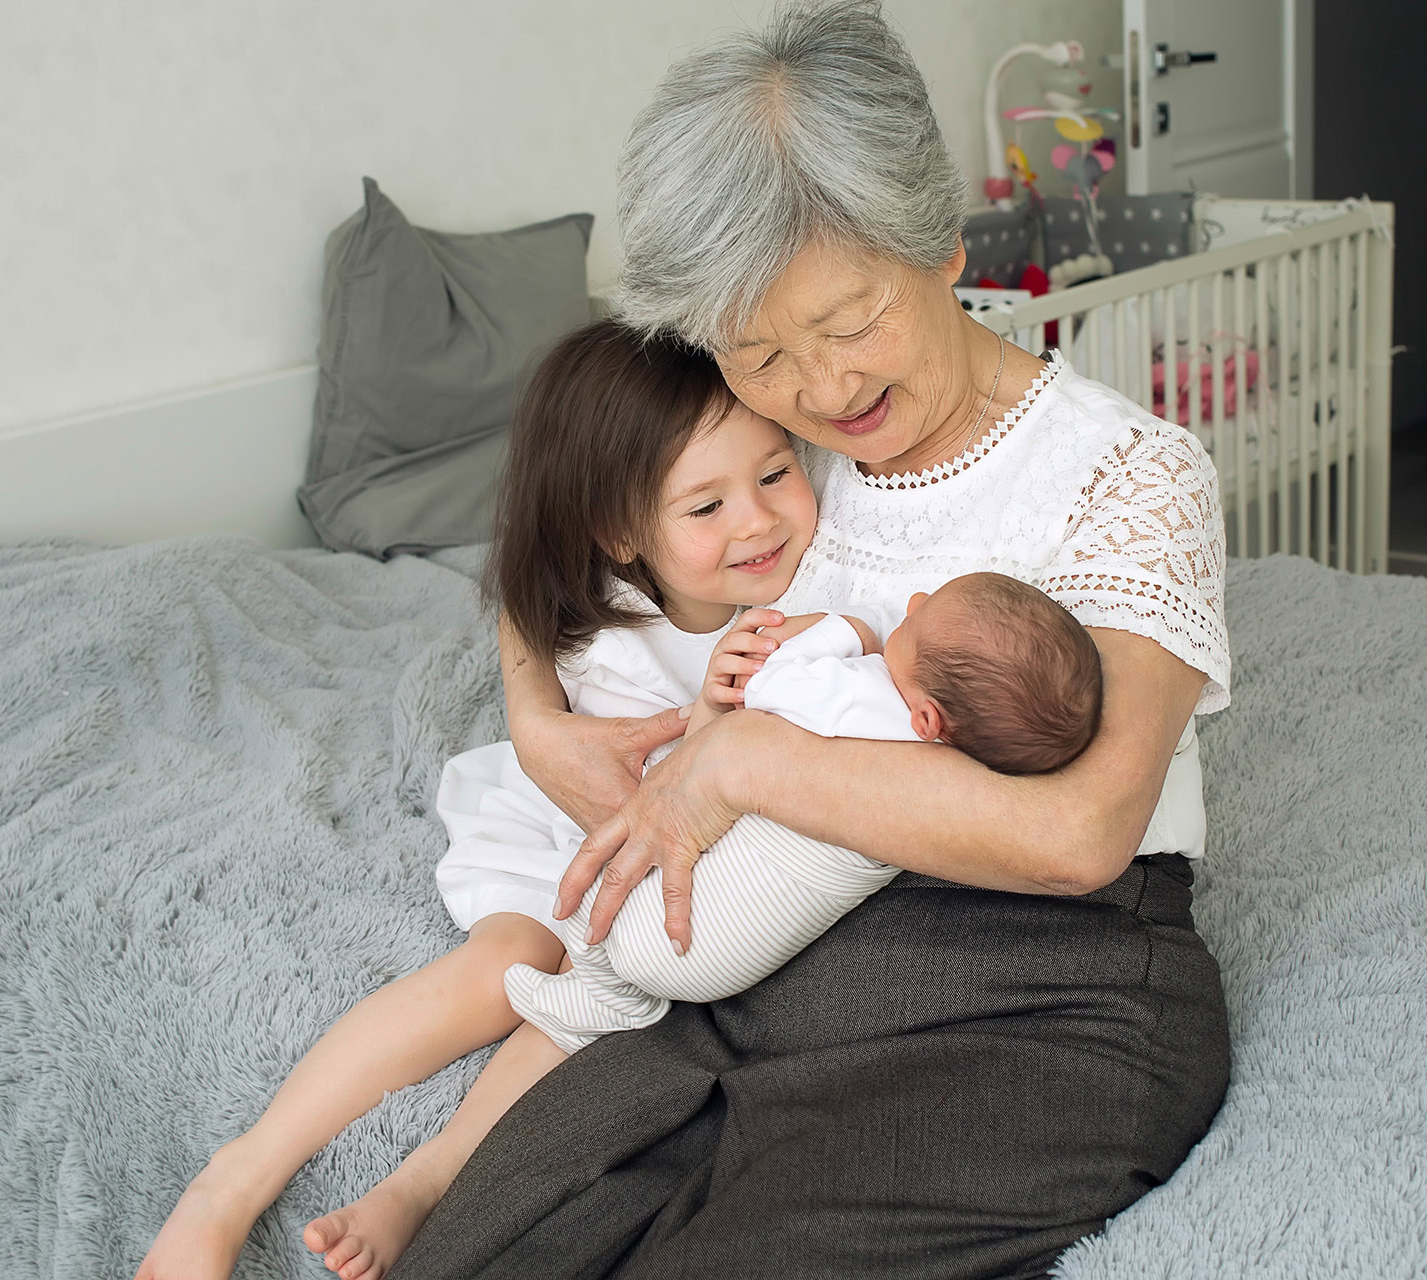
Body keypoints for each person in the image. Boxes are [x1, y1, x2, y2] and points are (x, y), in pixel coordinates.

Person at [388, 4, 1233, 1278]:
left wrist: (739, 766)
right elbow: (551, 534)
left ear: (942, 245)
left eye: (852, 324)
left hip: (1036, 995)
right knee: (502, 1237)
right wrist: (534, 717)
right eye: (764, 351)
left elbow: (1077, 835)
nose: (827, 390)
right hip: (762, 956)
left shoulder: (1130, 474)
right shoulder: (783, 464)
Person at [138, 318, 825, 1280]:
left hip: (688, 850)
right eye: (705, 507)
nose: (758, 521)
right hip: (589, 824)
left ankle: (426, 1179)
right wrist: (712, 702)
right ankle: (236, 1177)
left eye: (776, 474)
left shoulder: (825, 576)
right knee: (511, 967)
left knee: (585, 1010)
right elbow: (651, 811)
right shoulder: (616, 649)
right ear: (624, 534)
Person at [504, 570, 1105, 1054]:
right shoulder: (946, 763)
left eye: (917, 620)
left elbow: (766, 689)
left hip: (688, 938)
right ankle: (618, 995)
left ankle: (612, 998)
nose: (913, 599)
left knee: (591, 890)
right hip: (731, 960)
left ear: (927, 719)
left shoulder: (866, 702)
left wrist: (845, 628)